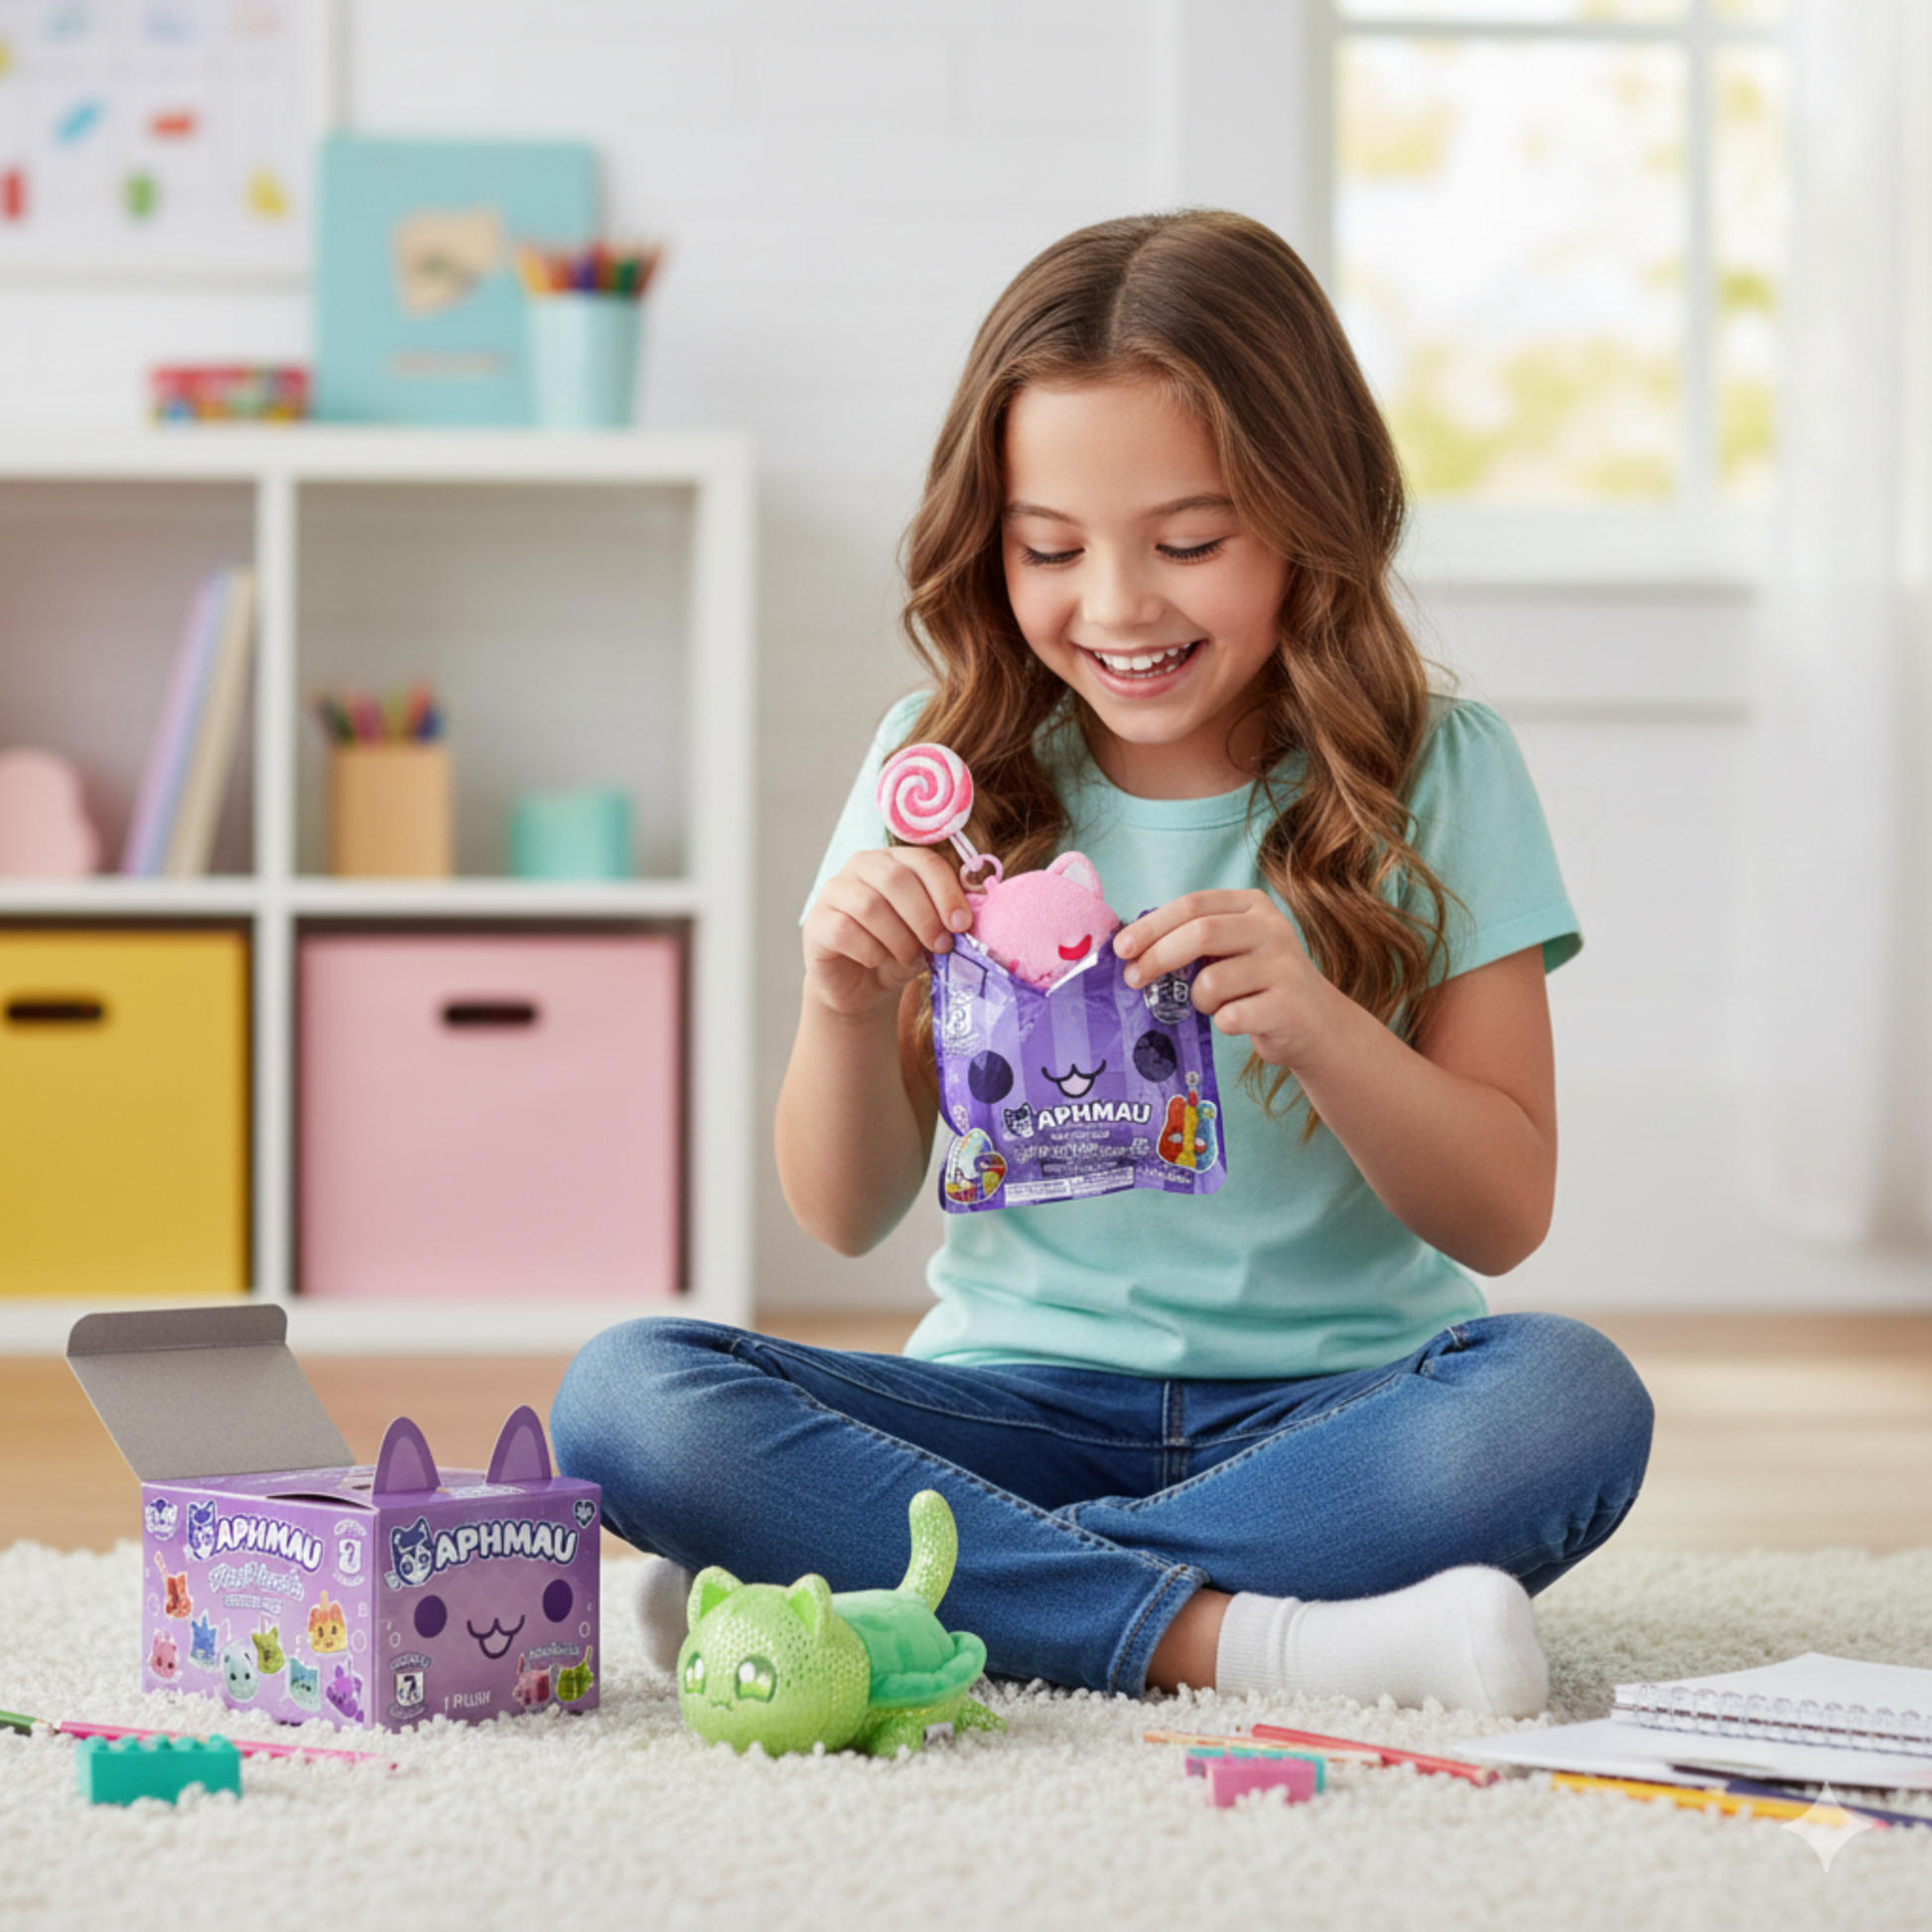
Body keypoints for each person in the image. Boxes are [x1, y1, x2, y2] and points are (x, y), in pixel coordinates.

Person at [551, 210, 1653, 1717]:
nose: (1119, 605)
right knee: (627, 1398)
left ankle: (901, 1595)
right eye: (1049, 548)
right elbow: (840, 1204)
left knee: (1565, 1402)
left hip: (1337, 1413)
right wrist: (840, 999)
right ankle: (1246, 1641)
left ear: (1308, 519)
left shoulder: (1441, 773)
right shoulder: (938, 763)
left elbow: (1502, 1209)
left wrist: (1325, 1028)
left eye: (1188, 542)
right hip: (1005, 1401)